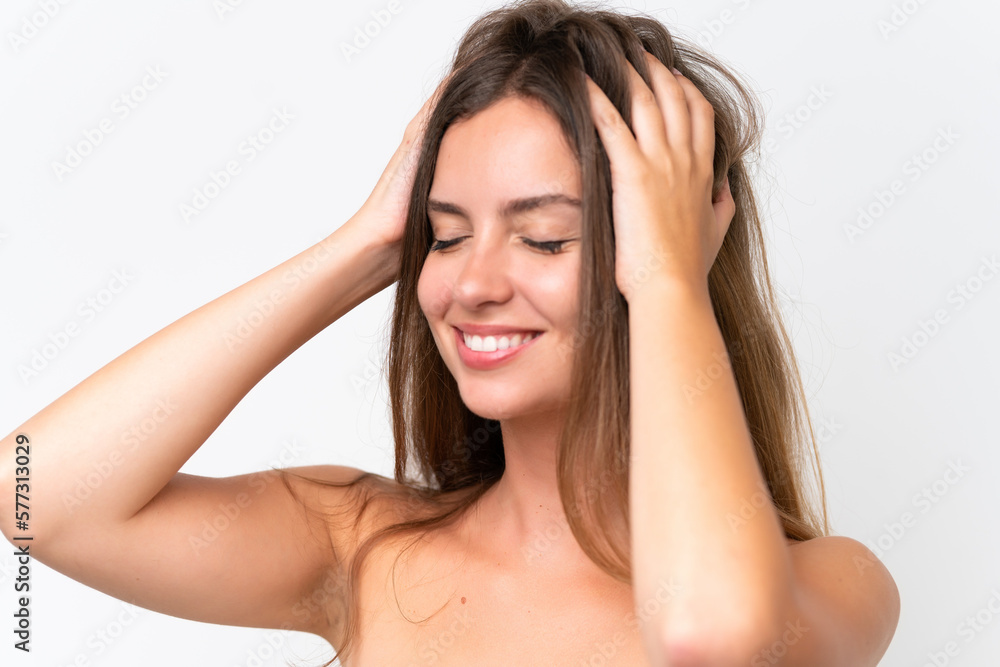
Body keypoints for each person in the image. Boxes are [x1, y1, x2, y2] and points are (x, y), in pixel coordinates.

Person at [0, 0, 899, 664]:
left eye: (546, 236)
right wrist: (365, 247)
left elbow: (709, 638)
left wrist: (669, 282)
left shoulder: (829, 588)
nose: (470, 283)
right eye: (449, 232)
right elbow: (36, 490)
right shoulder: (360, 543)